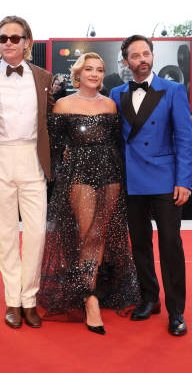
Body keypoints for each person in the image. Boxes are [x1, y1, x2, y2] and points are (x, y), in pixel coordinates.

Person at [37, 52, 140, 335]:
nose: (94, 74)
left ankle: (89, 287)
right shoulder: (62, 105)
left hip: (110, 173)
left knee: (100, 234)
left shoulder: (110, 105)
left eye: (99, 69)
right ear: (78, 74)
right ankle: (89, 296)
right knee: (86, 233)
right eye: (89, 69)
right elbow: (56, 148)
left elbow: (118, 143)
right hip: (79, 175)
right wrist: (63, 171)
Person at [0, 15, 52, 329]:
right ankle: (13, 301)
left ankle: (30, 298)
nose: (8, 43)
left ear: (27, 42)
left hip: (33, 158)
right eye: (3, 37)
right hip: (0, 158)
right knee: (5, 234)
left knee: (36, 233)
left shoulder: (45, 77)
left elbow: (51, 122)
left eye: (14, 38)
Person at [110, 35, 192, 337]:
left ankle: (176, 311)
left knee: (170, 245)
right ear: (126, 61)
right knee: (140, 244)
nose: (142, 59)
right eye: (135, 55)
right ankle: (149, 299)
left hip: (165, 180)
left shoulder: (172, 90)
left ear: (152, 56)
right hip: (132, 180)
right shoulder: (117, 93)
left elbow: (185, 138)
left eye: (146, 53)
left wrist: (184, 180)